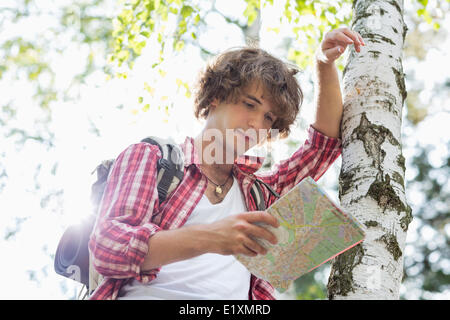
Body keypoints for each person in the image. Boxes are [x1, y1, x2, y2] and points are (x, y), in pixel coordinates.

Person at [88, 27, 365, 300]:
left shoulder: (260, 194)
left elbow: (322, 147)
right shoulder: (154, 158)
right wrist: (212, 237)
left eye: (269, 118)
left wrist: (324, 63)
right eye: (249, 104)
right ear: (217, 96)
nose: (257, 123)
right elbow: (108, 247)